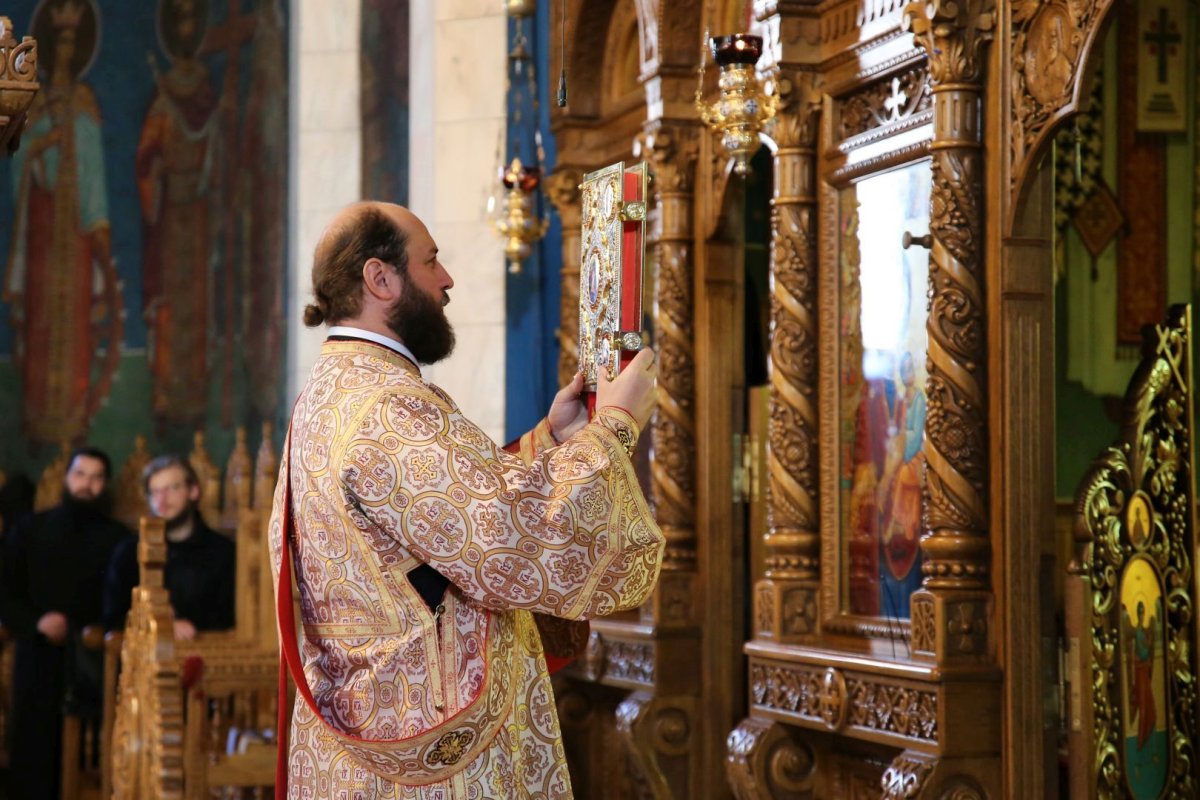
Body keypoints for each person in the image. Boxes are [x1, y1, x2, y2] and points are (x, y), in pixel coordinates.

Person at [271, 202, 664, 798]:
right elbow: (512, 542)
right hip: (427, 762)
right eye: (431, 262)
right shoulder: (389, 406)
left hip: (355, 749)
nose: (447, 278)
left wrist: (548, 441)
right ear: (381, 279)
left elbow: (439, 524)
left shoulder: (332, 392)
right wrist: (616, 426)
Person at [0, 447, 130, 800]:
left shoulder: (118, 537)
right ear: (66, 479)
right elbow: (5, 592)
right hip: (37, 653)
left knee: (89, 759)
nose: (86, 484)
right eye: (80, 474)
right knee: (31, 756)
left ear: (105, 485)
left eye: (95, 477)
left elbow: (122, 603)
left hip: (91, 661)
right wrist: (37, 622)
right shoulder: (30, 529)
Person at [103, 455, 236, 639]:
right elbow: (114, 617)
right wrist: (159, 625)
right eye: (154, 492)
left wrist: (189, 626)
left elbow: (229, 616)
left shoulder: (223, 551)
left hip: (207, 652)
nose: (161, 499)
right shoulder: (129, 551)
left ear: (193, 491)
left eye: (172, 488)